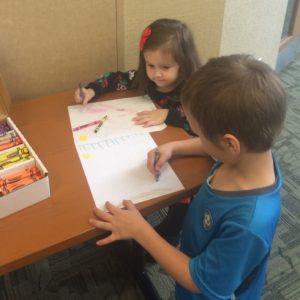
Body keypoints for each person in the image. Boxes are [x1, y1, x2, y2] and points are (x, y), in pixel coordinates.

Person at [89, 54, 287, 299]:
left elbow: (199, 280)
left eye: (199, 135)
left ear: (230, 144)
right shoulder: (252, 153)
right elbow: (213, 147)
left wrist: (141, 231)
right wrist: (174, 147)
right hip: (199, 255)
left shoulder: (248, 224)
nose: (197, 140)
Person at [76, 18, 202, 246]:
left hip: (188, 154)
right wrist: (92, 90)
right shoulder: (145, 79)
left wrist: (169, 114)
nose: (156, 74)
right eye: (150, 65)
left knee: (182, 194)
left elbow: (201, 127)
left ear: (183, 63)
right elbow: (116, 79)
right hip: (149, 143)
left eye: (165, 67)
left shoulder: (193, 89)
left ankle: (171, 231)